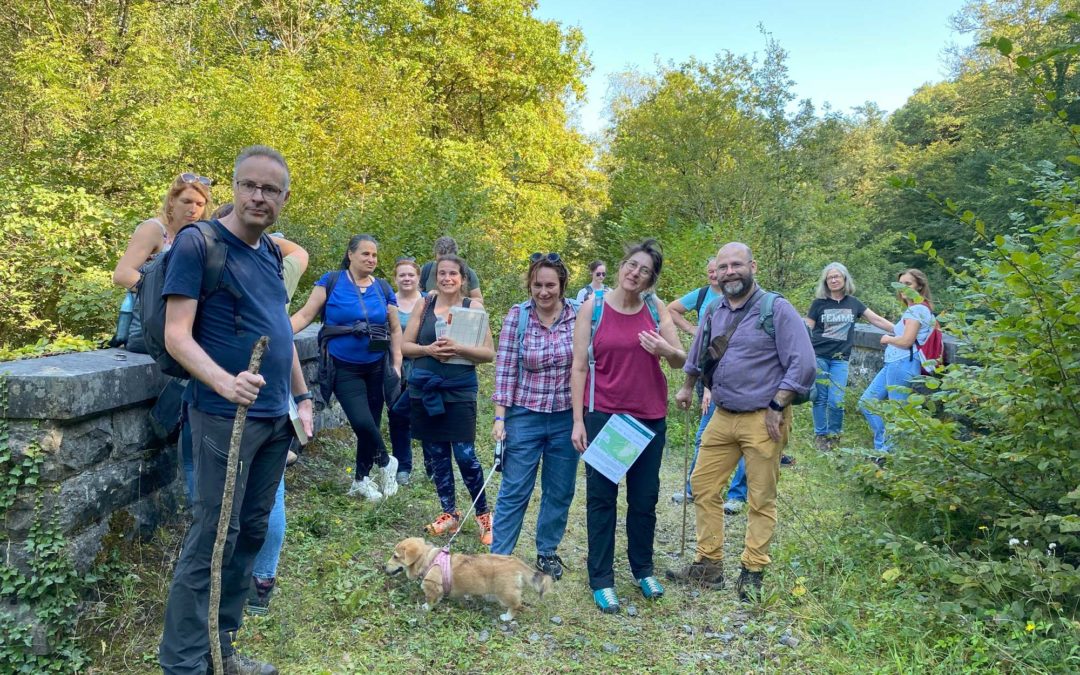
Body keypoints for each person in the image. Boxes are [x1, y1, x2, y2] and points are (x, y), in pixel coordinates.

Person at [159, 146, 313, 675]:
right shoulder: (199, 245)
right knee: (211, 536)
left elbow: (280, 333)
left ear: (284, 199)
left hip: (273, 419)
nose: (257, 196)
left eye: (270, 190)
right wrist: (226, 383)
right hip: (223, 417)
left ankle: (221, 649)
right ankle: (183, 665)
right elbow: (175, 336)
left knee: (250, 532)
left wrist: (303, 396)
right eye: (249, 185)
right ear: (234, 186)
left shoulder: (270, 253)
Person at [667, 242, 814, 602]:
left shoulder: (776, 309)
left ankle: (753, 570)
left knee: (760, 497)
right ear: (716, 271)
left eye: (737, 265)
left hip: (764, 417)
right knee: (702, 485)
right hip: (722, 414)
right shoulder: (714, 309)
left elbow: (804, 363)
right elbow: (700, 352)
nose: (730, 271)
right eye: (724, 266)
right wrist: (688, 386)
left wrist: (779, 405)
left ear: (753, 266)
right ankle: (709, 564)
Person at [570, 239, 686, 614]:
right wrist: (577, 421)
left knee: (645, 499)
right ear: (621, 266)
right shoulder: (594, 306)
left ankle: (642, 569)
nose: (636, 274)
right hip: (605, 417)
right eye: (632, 266)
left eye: (646, 271)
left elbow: (681, 361)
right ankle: (601, 579)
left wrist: (665, 351)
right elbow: (579, 367)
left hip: (648, 418)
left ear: (652, 280)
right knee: (602, 500)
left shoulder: (655, 308)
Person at [290, 235, 403, 501]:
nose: (371, 259)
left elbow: (395, 328)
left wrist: (396, 363)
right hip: (343, 367)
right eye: (365, 254)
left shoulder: (383, 288)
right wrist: (281, 331)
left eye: (374, 255)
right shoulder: (331, 281)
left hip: (376, 365)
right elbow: (306, 315)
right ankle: (387, 462)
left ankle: (361, 480)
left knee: (372, 423)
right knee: (361, 421)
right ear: (350, 255)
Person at [491, 252, 579, 581]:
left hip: (566, 418)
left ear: (562, 285)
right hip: (524, 415)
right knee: (515, 489)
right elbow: (504, 368)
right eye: (537, 285)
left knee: (559, 489)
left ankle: (547, 552)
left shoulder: (578, 315)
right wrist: (500, 418)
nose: (544, 292)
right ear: (530, 284)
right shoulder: (519, 315)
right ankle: (499, 557)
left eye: (550, 285)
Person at [402, 254, 496, 544]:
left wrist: (459, 349)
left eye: (453, 273)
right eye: (442, 273)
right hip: (426, 388)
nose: (446, 278)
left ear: (463, 278)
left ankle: (483, 514)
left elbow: (488, 353)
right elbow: (405, 346)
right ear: (435, 278)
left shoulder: (473, 307)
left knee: (465, 455)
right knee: (437, 453)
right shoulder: (424, 304)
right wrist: (429, 350)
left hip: (459, 389)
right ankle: (449, 514)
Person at [244, 230, 309, 617]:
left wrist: (301, 399)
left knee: (269, 497)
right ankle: (251, 580)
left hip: (267, 406)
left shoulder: (270, 286)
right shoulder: (269, 280)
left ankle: (260, 579)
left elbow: (285, 348)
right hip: (229, 408)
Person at [669, 257, 750, 513]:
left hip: (748, 389)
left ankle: (737, 495)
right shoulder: (708, 301)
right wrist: (701, 387)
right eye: (713, 271)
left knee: (747, 443)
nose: (717, 275)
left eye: (722, 270)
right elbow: (706, 352)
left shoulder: (759, 306)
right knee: (704, 436)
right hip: (712, 381)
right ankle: (695, 489)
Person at [805, 262, 894, 451]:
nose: (834, 280)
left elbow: (876, 319)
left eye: (837, 276)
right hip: (819, 355)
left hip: (840, 359)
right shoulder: (818, 304)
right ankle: (821, 437)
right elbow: (806, 329)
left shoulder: (853, 303)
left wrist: (901, 330)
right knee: (820, 398)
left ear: (845, 279)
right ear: (825, 282)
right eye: (830, 277)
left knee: (836, 401)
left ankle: (834, 436)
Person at [858, 269, 935, 456]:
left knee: (896, 412)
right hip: (894, 364)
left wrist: (887, 339)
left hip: (903, 363)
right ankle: (883, 449)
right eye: (901, 284)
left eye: (908, 284)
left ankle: (890, 456)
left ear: (919, 286)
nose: (903, 288)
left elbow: (907, 341)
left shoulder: (917, 310)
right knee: (867, 402)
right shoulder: (916, 310)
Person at [388, 257, 425, 485]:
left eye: (411, 274)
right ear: (395, 278)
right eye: (402, 275)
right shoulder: (389, 302)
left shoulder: (429, 301)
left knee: (425, 415)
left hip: (422, 367)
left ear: (418, 277)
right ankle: (403, 466)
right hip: (395, 367)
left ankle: (433, 465)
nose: (407, 278)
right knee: (397, 416)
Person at [419, 236, 483, 301]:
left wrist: (454, 299)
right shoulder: (426, 269)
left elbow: (479, 300)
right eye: (440, 261)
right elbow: (415, 295)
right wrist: (428, 296)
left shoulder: (467, 272)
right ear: (435, 255)